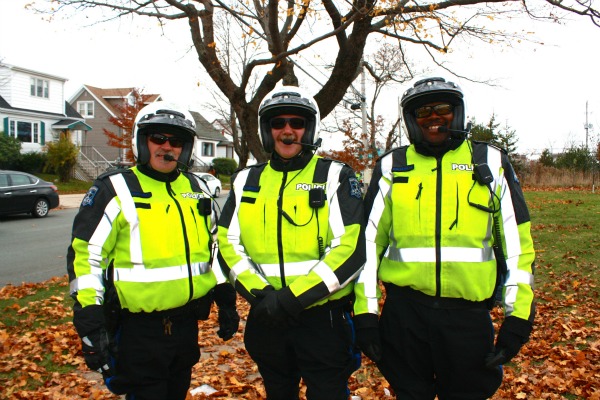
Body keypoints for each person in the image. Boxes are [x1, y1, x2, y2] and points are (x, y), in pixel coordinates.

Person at [353, 77, 536, 399]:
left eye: (443, 109)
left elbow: (517, 247)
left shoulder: (489, 162)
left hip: (467, 318)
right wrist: (366, 315)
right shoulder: (393, 166)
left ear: (458, 112)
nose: (434, 118)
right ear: (411, 120)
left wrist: (518, 318)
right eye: (424, 112)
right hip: (405, 315)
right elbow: (367, 246)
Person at [67, 101, 240, 400]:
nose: (167, 147)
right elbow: (87, 256)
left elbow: (213, 250)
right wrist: (90, 318)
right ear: (141, 141)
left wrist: (226, 300)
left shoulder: (196, 189)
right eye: (158, 138)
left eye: (176, 141)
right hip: (138, 330)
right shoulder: (116, 189)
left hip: (185, 326)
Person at [217, 86, 366, 400]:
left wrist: (292, 299)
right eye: (278, 123)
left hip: (322, 319)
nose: (287, 130)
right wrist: (260, 294)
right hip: (267, 315)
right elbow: (226, 243)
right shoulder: (247, 180)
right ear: (268, 130)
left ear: (309, 128)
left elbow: (350, 249)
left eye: (296, 123)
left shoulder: (335, 176)